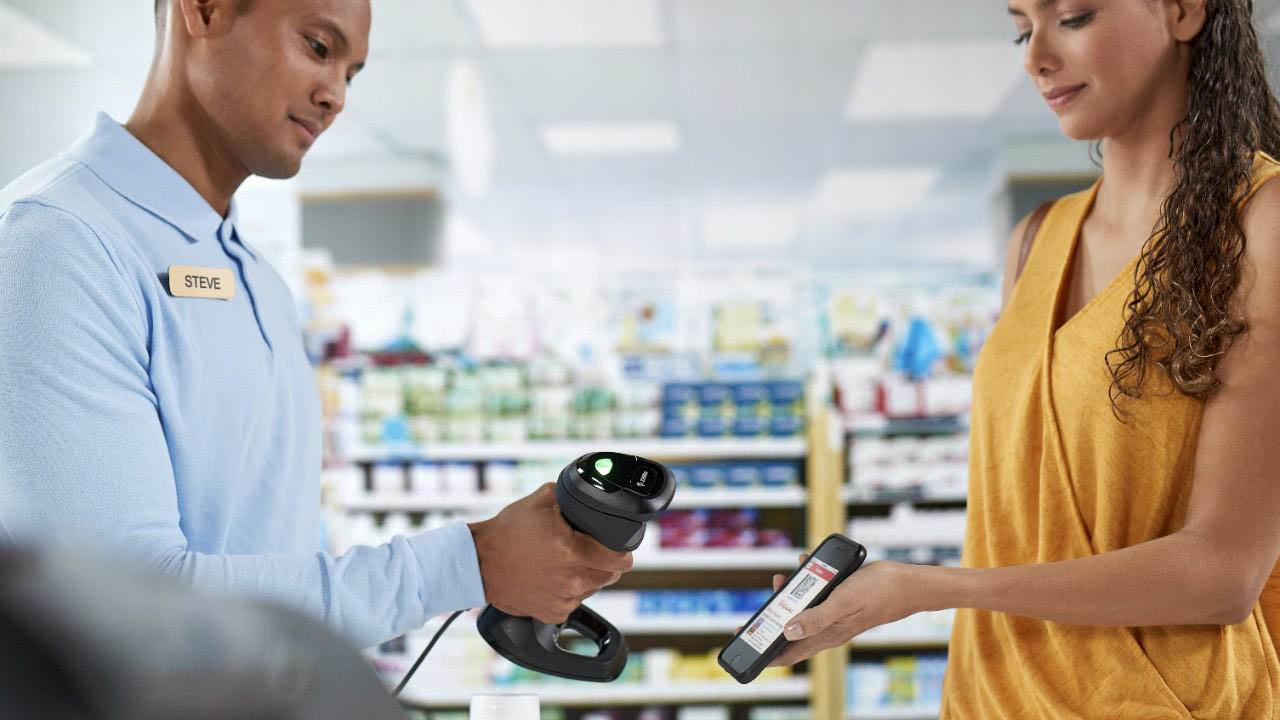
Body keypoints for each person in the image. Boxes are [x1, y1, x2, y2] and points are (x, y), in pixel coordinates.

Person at [0, 0, 631, 652]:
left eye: (352, 74)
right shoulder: (57, 242)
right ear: (207, 10)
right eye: (319, 47)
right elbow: (122, 611)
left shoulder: (258, 281)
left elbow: (264, 553)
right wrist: (465, 563)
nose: (335, 97)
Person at [767, 1, 1280, 716]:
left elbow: (1224, 575)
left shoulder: (1261, 223)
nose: (1034, 56)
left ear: (1184, 10)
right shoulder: (1037, 240)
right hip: (990, 695)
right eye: (1021, 27)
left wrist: (933, 588)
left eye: (1072, 16)